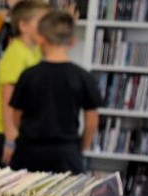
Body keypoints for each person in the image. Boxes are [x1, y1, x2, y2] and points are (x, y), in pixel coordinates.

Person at [8, 10, 101, 174]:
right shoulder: (83, 77)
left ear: (41, 38)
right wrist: (82, 147)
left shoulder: (29, 75)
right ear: (72, 41)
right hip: (66, 153)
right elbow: (92, 121)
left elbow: (16, 116)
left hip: (28, 152)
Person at [0, 0, 48, 166]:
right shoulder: (16, 54)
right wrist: (10, 139)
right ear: (24, 26)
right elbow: (7, 99)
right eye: (42, 21)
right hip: (2, 135)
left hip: (19, 133)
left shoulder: (34, 51)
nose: (46, 26)